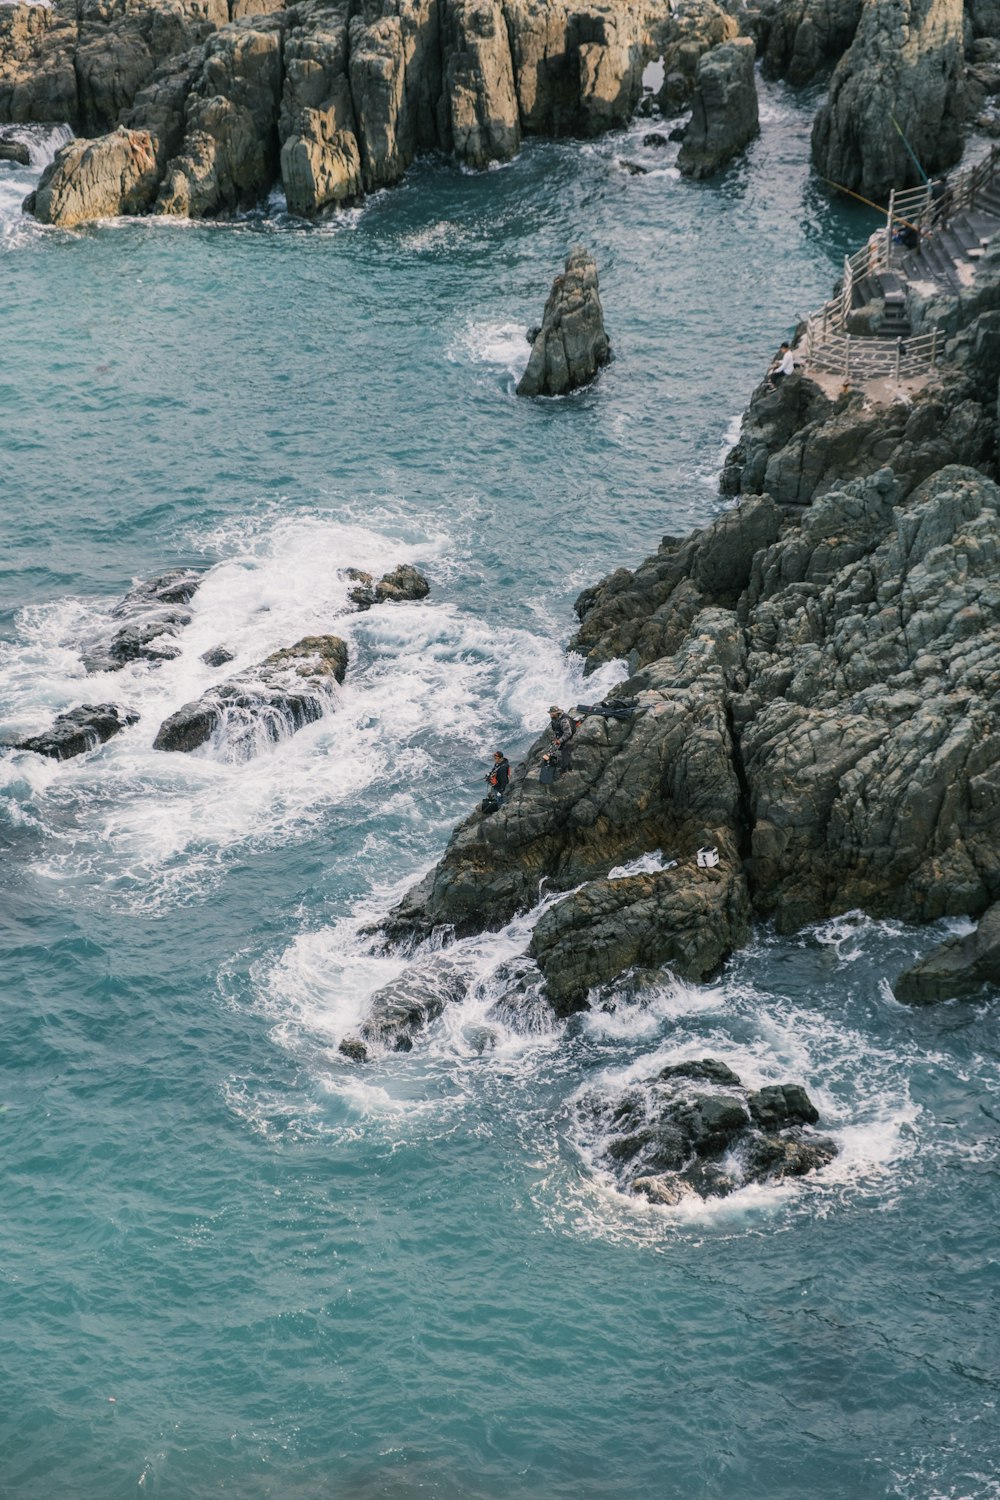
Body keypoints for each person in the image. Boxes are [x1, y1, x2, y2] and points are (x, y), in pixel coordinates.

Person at [548, 705, 574, 772]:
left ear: (557, 713)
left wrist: (560, 740)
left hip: (568, 738)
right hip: (560, 736)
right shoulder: (554, 719)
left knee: (565, 753)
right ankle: (570, 768)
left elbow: (568, 733)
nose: (551, 714)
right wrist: (554, 738)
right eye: (550, 713)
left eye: (552, 713)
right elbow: (555, 730)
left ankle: (564, 770)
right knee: (564, 753)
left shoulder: (564, 721)